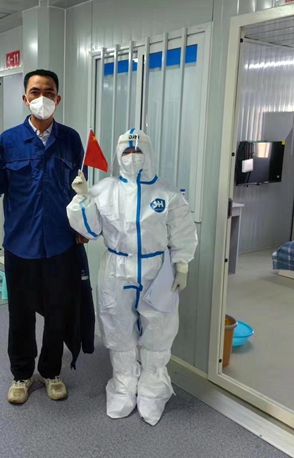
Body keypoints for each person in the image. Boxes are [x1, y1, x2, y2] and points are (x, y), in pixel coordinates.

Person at [66, 128, 198, 425]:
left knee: (159, 327)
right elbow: (90, 230)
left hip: (157, 269)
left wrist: (182, 265)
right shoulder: (105, 189)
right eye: (127, 151)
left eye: (138, 150)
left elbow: (182, 230)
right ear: (118, 155)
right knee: (117, 326)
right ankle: (123, 385)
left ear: (149, 154)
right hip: (117, 267)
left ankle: (153, 389)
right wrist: (82, 199)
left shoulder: (166, 193)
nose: (133, 156)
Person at [0, 69, 92, 405]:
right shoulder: (8, 141)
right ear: (25, 98)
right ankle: (22, 374)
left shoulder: (70, 140)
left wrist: (83, 225)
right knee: (21, 313)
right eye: (35, 91)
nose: (42, 97)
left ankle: (51, 371)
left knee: (58, 311)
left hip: (60, 243)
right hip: (20, 243)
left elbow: (80, 189)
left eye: (49, 92)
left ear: (58, 98)